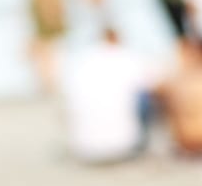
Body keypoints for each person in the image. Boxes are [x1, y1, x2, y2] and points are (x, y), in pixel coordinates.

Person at [60, 26, 153, 164]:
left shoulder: (80, 61)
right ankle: (141, 144)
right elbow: (153, 84)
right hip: (122, 147)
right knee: (145, 96)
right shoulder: (125, 57)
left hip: (83, 148)